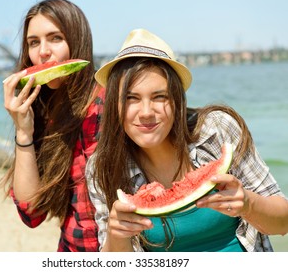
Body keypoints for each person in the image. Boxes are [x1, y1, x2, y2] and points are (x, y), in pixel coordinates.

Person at [86, 28, 288, 252]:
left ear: (176, 100)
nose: (146, 112)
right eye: (131, 98)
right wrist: (117, 235)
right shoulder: (101, 167)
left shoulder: (218, 130)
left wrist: (249, 204)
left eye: (159, 97)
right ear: (115, 104)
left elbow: (283, 222)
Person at [0, 0, 105, 252]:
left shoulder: (107, 103)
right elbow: (31, 213)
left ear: (78, 40)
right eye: (33, 42)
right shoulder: (43, 112)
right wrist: (23, 130)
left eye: (55, 38)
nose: (43, 52)